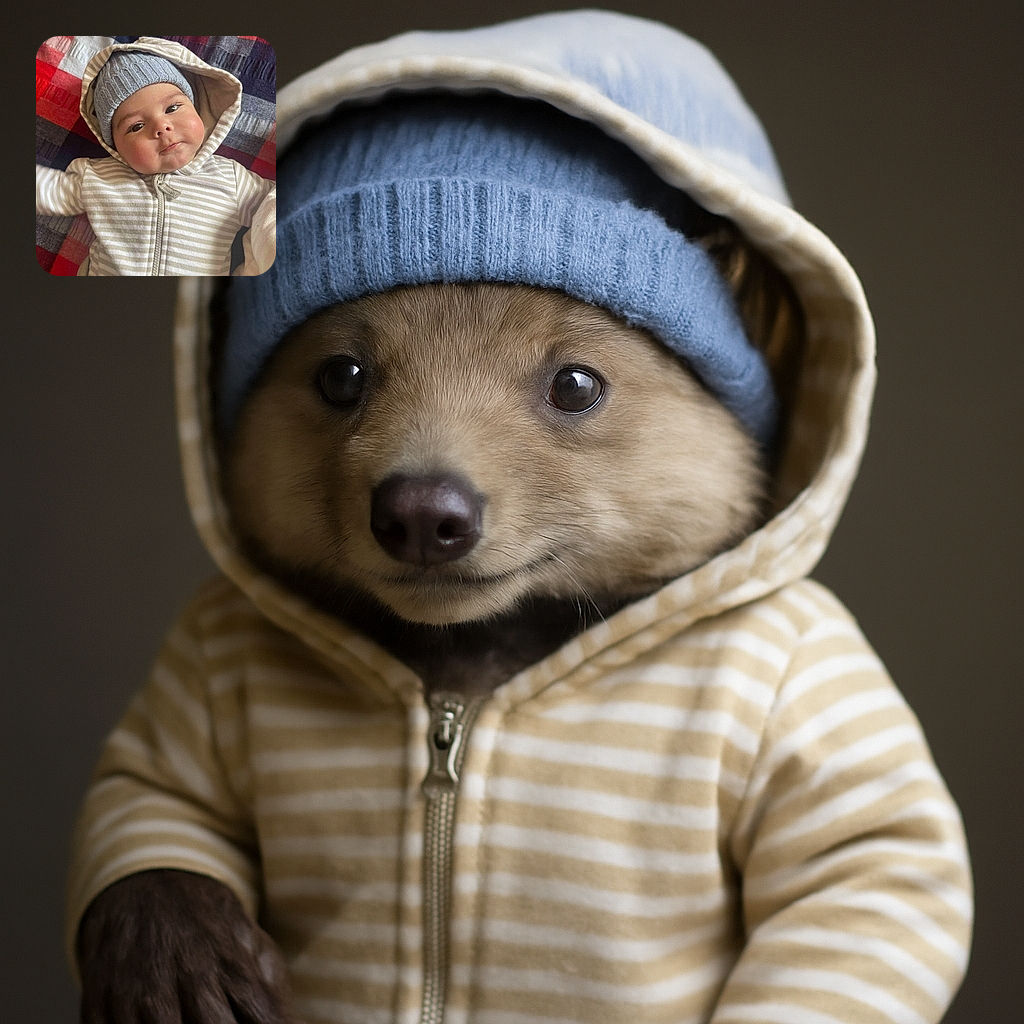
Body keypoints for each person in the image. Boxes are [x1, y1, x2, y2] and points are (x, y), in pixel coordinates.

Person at [36, 38, 274, 276]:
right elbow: (48, 190)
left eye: (172, 108)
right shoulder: (97, 178)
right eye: (136, 126)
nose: (161, 127)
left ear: (196, 109)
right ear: (114, 146)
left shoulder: (230, 179)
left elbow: (280, 209)